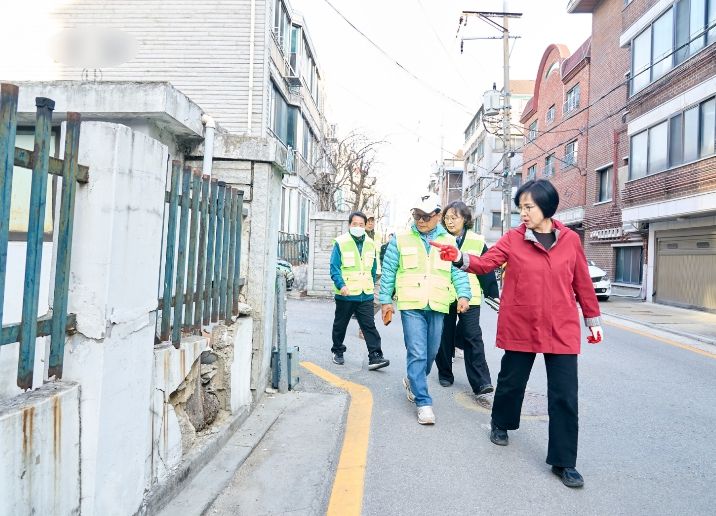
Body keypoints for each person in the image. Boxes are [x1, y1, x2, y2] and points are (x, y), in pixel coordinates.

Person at [432, 179, 603, 488]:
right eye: (520, 208)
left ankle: (564, 461)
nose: (523, 213)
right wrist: (458, 258)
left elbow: (581, 281)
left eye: (528, 207)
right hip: (522, 321)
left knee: (565, 395)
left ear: (546, 207)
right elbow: (486, 263)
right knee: (512, 382)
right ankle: (501, 423)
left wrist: (593, 320)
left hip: (561, 326)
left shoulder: (570, 240)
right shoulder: (513, 238)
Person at [379, 193, 472, 425]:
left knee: (431, 352)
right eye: (417, 215)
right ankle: (423, 402)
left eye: (426, 216)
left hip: (438, 303)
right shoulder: (400, 239)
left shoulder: (449, 241)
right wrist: (385, 300)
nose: (421, 221)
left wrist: (463, 295)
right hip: (411, 303)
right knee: (417, 352)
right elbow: (389, 271)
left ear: (438, 216)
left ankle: (413, 379)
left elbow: (457, 270)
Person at [436, 201, 499, 396]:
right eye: (447, 218)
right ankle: (445, 373)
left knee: (473, 336)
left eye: (454, 218)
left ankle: (481, 381)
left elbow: (485, 268)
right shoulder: (439, 239)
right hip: (444, 294)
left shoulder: (477, 241)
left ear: (465, 219)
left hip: (470, 296)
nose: (449, 221)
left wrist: (492, 293)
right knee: (444, 335)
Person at [330, 211, 390, 371]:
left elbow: (373, 269)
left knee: (369, 326)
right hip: (346, 294)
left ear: (365, 226)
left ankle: (375, 356)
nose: (358, 227)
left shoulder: (370, 244)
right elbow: (334, 267)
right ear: (349, 225)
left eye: (361, 224)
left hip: (365, 294)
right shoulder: (341, 242)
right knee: (340, 324)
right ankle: (337, 351)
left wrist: (369, 284)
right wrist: (341, 285)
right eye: (355, 224)